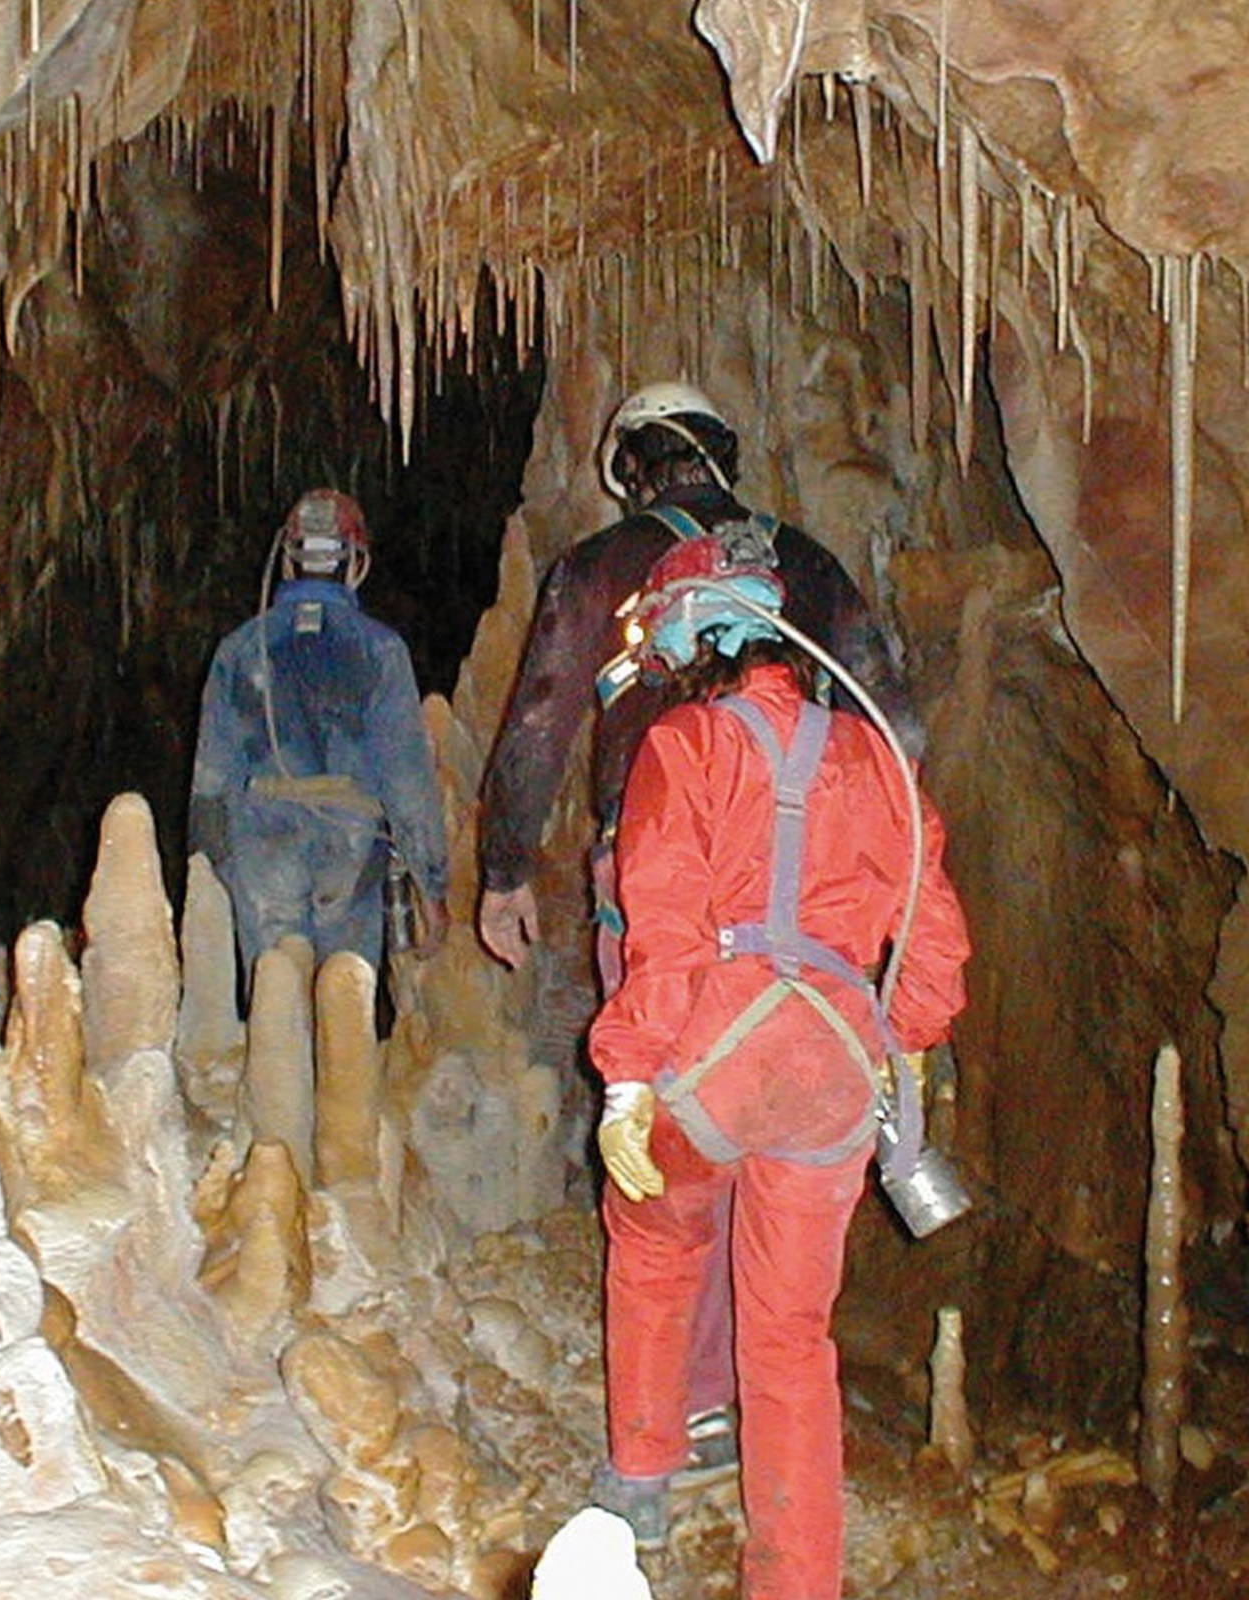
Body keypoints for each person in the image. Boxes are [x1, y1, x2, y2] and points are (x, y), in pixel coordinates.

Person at [476, 381, 920, 1469]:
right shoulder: (804, 566)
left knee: (674, 1124)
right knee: (781, 1127)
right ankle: (753, 1400)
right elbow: (892, 717)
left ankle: (674, 1418)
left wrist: (503, 866)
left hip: (657, 864)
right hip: (806, 882)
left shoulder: (599, 568)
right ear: (723, 454)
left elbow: (540, 713)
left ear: (630, 466)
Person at [586, 529, 971, 1599]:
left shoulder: (684, 746)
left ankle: (642, 1484)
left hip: (719, 1038)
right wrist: (908, 1046)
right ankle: (797, 1577)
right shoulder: (877, 760)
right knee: (793, 1334)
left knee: (657, 1243)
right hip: (841, 1063)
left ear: (694, 639)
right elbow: (932, 943)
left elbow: (659, 926)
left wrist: (627, 1076)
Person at [189, 488, 449, 994]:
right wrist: (431, 887)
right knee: (341, 1005)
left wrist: (209, 874)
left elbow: (210, 777)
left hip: (262, 846)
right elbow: (407, 779)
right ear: (355, 563)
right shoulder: (380, 650)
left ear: (287, 561)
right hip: (348, 846)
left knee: (276, 1002)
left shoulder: (240, 649)